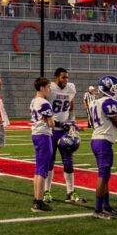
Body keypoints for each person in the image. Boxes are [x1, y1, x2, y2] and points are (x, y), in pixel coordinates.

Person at [88, 75, 117, 219]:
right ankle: (98, 210)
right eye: (116, 88)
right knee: (103, 175)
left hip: (96, 139)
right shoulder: (110, 102)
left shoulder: (94, 102)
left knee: (105, 174)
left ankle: (107, 206)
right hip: (103, 141)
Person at [46, 68, 81, 204]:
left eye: (67, 77)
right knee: (50, 162)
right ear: (56, 78)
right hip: (51, 129)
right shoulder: (50, 88)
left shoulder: (70, 88)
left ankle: (70, 192)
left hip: (65, 130)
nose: (66, 80)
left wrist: (72, 120)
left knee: (68, 161)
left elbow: (71, 104)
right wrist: (58, 122)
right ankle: (46, 191)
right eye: (63, 78)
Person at [30, 77, 56, 212]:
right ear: (42, 88)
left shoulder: (34, 100)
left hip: (35, 134)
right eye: (48, 87)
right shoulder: (44, 103)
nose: (49, 89)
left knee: (38, 168)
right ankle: (38, 201)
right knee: (42, 169)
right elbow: (50, 123)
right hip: (43, 136)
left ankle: (36, 198)